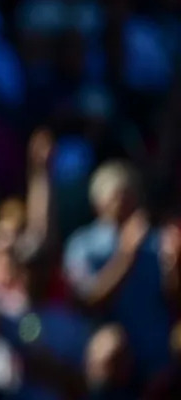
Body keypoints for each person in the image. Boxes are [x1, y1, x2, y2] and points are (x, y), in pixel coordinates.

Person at [63, 161, 176, 378]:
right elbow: (88, 301)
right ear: (99, 203)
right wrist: (126, 256)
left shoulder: (156, 244)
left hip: (158, 359)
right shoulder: (82, 245)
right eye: (117, 196)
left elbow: (171, 297)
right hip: (110, 368)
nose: (125, 203)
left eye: (130, 195)